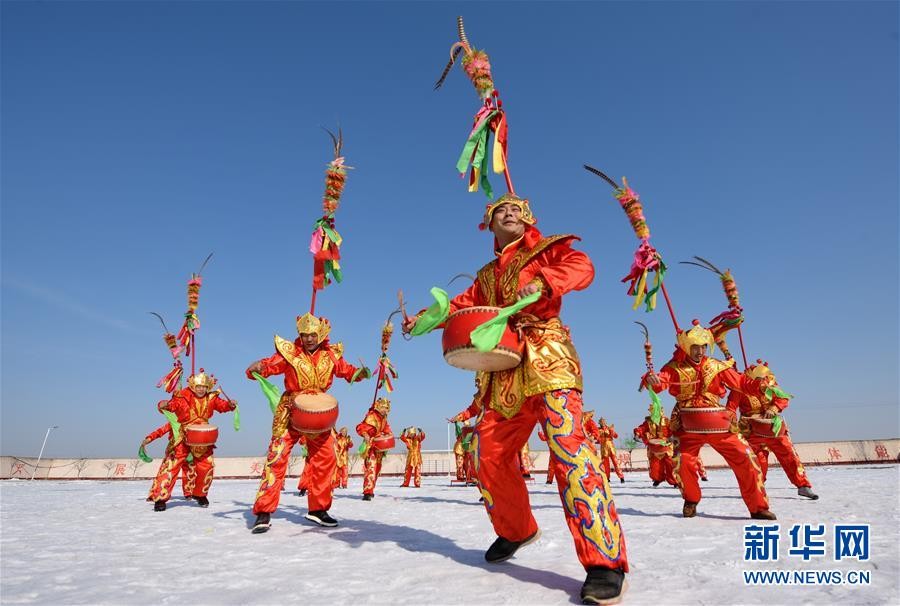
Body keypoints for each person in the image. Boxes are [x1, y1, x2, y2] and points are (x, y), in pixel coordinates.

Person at [404, 195, 628, 603]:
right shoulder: (485, 275)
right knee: (488, 452)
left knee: (569, 450)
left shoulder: (549, 249)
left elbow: (583, 267)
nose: (508, 213)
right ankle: (516, 529)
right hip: (504, 368)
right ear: (488, 224)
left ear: (528, 218)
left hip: (548, 357)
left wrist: (545, 280)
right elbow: (460, 306)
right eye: (499, 210)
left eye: (516, 209)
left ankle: (604, 562)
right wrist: (426, 317)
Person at [246, 313, 369, 532]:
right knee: (277, 457)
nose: (309, 339)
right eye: (304, 335)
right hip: (291, 411)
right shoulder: (290, 353)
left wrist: (359, 373)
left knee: (327, 457)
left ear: (320, 335)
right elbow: (271, 365)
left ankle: (318, 509)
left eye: (312, 334)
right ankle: (264, 511)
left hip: (318, 413)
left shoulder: (330, 356)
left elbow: (346, 370)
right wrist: (259, 367)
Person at [644, 321, 776, 520]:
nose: (700, 351)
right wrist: (651, 380)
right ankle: (691, 499)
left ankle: (758, 507)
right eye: (695, 347)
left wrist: (758, 385)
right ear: (686, 347)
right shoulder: (674, 367)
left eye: (703, 347)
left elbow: (740, 383)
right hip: (687, 427)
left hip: (719, 424)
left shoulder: (716, 366)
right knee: (683, 462)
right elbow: (660, 381)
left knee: (746, 457)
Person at [727, 360, 818, 499]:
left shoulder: (770, 383)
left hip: (773, 429)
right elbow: (731, 408)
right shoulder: (740, 387)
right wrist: (732, 424)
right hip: (751, 431)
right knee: (758, 461)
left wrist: (774, 407)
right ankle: (757, 489)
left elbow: (783, 397)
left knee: (789, 454)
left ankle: (803, 485)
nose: (763, 385)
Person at [151, 370, 236, 511]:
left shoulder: (212, 397)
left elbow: (222, 406)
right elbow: (172, 406)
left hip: (202, 438)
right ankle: (160, 498)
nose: (201, 389)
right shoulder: (182, 396)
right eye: (198, 386)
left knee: (206, 466)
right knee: (171, 465)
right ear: (192, 386)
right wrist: (163, 404)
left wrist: (230, 405)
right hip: (183, 436)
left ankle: (200, 494)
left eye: (204, 386)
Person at [357, 397, 393, 500]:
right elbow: (361, 427)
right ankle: (367, 492)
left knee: (377, 468)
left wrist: (388, 434)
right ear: (378, 407)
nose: (384, 409)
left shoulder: (384, 418)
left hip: (380, 447)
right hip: (371, 445)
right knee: (371, 468)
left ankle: (371, 488)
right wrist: (365, 434)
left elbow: (387, 429)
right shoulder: (371, 416)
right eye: (382, 407)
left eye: (386, 408)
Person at [142, 421, 187, 502]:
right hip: (175, 450)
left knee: (191, 472)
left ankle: (190, 493)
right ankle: (157, 495)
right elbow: (161, 430)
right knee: (165, 473)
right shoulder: (174, 421)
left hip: (191, 450)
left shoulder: (195, 420)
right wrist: (149, 438)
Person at [633, 406, 677, 487]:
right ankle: (658, 479)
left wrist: (672, 436)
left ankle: (674, 481)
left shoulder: (666, 421)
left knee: (670, 464)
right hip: (654, 446)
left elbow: (673, 429)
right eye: (652, 411)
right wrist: (637, 433)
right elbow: (641, 428)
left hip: (666, 445)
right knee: (655, 465)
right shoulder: (648, 421)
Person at [593, 415, 625, 484]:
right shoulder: (598, 430)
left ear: (605, 422)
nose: (602, 423)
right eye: (601, 422)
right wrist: (597, 439)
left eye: (603, 422)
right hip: (604, 448)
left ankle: (621, 477)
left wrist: (612, 432)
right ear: (599, 423)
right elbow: (597, 439)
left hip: (611, 447)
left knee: (616, 462)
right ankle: (607, 478)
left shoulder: (609, 428)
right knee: (605, 464)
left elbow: (616, 436)